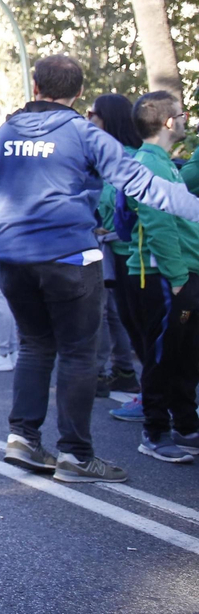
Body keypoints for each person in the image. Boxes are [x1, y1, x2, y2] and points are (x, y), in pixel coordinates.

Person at [0, 57, 199, 480]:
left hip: (11, 256)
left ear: (35, 84)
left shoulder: (7, 132)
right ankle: (76, 455)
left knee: (34, 345)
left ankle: (24, 438)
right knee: (79, 354)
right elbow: (138, 183)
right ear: (78, 93)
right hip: (68, 255)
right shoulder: (82, 132)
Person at [126, 91, 199, 463]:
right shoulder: (150, 164)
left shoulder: (164, 162)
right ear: (169, 122)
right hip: (164, 276)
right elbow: (158, 222)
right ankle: (154, 432)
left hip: (179, 273)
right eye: (182, 114)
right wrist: (177, 276)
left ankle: (185, 425)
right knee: (163, 354)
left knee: (184, 353)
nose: (186, 120)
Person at [88, 94, 146, 402]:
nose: (88, 119)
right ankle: (122, 373)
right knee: (112, 313)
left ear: (107, 119)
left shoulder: (132, 158)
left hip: (132, 255)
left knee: (108, 314)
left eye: (93, 113)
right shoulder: (102, 155)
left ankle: (105, 375)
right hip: (112, 251)